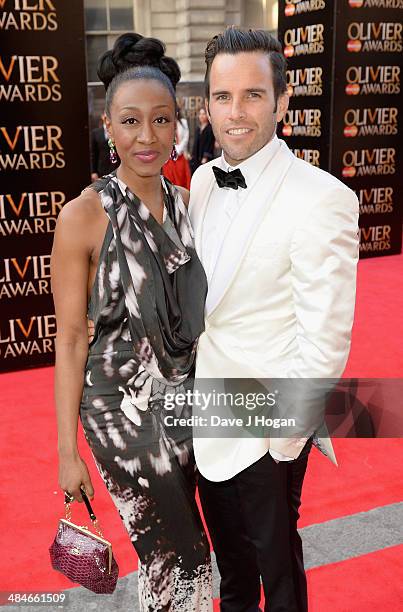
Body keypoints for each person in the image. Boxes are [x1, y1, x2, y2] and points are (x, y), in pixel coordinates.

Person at [189, 27, 359, 611]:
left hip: (267, 425)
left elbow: (326, 337)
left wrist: (282, 442)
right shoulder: (204, 181)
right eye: (221, 97)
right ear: (205, 103)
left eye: (253, 95)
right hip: (207, 411)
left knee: (279, 580)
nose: (234, 113)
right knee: (231, 575)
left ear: (282, 101)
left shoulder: (321, 198)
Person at [51, 33, 212, 610]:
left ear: (178, 126)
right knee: (182, 555)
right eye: (130, 121)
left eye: (161, 120)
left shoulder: (193, 207)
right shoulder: (82, 216)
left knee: (171, 557)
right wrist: (67, 453)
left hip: (190, 403)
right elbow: (69, 338)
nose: (147, 137)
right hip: (121, 416)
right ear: (108, 126)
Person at [163, 102, 192, 189]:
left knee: (182, 180)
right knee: (170, 182)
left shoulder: (183, 122)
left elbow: (186, 137)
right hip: (169, 157)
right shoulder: (166, 123)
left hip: (180, 155)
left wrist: (178, 149)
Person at [90, 112, 118, 181]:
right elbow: (93, 154)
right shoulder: (95, 133)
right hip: (101, 170)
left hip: (117, 169)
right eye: (106, 116)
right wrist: (93, 172)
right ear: (102, 117)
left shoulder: (118, 131)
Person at [189, 107, 215, 174]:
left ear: (207, 115)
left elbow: (210, 143)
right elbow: (195, 143)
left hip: (205, 158)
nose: (201, 116)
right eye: (200, 114)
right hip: (196, 157)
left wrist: (205, 157)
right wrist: (192, 154)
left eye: (204, 114)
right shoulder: (198, 128)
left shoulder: (210, 128)